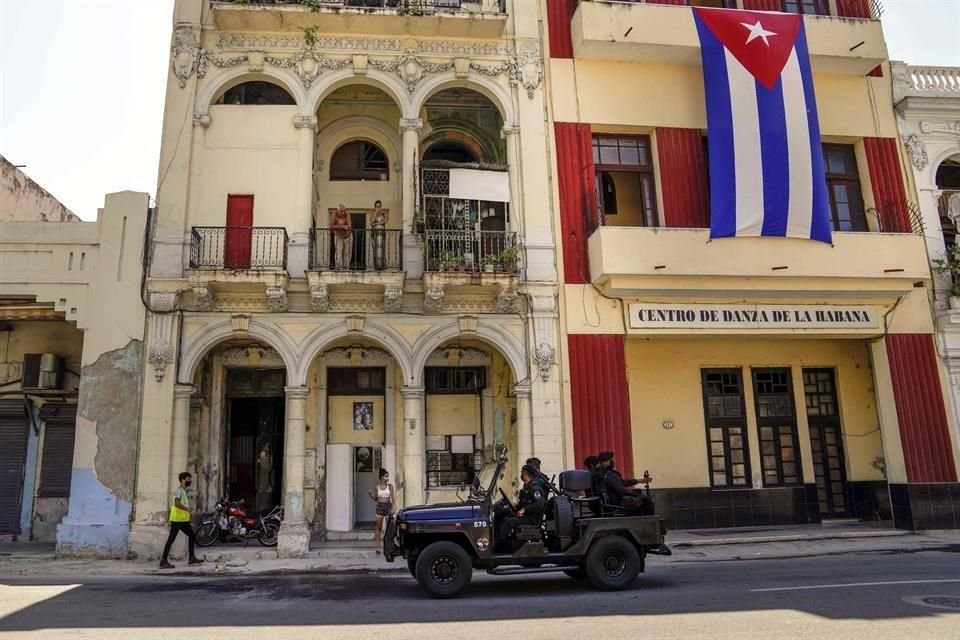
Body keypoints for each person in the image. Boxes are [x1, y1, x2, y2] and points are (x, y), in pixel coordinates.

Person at [160, 472, 203, 569]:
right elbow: (177, 504)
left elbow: (182, 505)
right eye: (188, 479)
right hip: (177, 520)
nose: (190, 481)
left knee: (192, 535)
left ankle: (191, 558)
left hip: (183, 520)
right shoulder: (179, 491)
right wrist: (188, 510)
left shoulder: (183, 491)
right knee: (171, 539)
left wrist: (189, 513)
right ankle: (163, 561)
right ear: (183, 480)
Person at [497, 465, 547, 547]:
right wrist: (518, 506)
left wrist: (524, 509)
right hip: (526, 515)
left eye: (522, 473)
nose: (521, 475)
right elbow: (526, 502)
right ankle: (496, 540)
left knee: (508, 522)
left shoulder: (535, 488)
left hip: (532, 518)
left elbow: (539, 504)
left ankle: (501, 546)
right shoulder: (527, 488)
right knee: (501, 513)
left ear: (525, 474)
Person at [598, 451, 655, 515]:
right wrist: (635, 494)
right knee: (647, 499)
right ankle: (650, 521)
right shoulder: (611, 475)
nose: (612, 461)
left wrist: (639, 481)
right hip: (616, 502)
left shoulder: (602, 473)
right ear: (606, 462)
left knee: (638, 493)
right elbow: (621, 490)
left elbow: (622, 482)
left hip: (611, 500)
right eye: (610, 460)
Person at [368, 468, 395, 555]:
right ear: (382, 477)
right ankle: (378, 547)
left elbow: (393, 499)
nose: (388, 478)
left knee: (388, 528)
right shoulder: (377, 487)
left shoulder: (390, 487)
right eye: (386, 476)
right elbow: (376, 499)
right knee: (378, 527)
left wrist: (393, 508)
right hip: (379, 506)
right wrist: (370, 495)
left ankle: (389, 546)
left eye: (388, 476)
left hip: (387, 506)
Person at [330, 204, 352, 270]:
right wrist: (342, 226)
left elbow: (349, 226)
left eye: (344, 211)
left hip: (347, 236)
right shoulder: (334, 215)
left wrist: (343, 227)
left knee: (347, 253)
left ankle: (346, 268)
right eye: (341, 211)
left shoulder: (347, 214)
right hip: (338, 236)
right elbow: (331, 226)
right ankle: (339, 268)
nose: (343, 213)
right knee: (338, 252)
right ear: (337, 211)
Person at [371, 200, 388, 271]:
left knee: (382, 248)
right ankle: (376, 266)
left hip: (382, 234)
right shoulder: (372, 214)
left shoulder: (384, 214)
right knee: (375, 249)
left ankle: (382, 266)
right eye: (377, 206)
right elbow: (371, 221)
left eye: (379, 206)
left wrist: (376, 224)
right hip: (375, 234)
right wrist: (376, 213)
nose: (378, 208)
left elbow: (385, 221)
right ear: (375, 207)